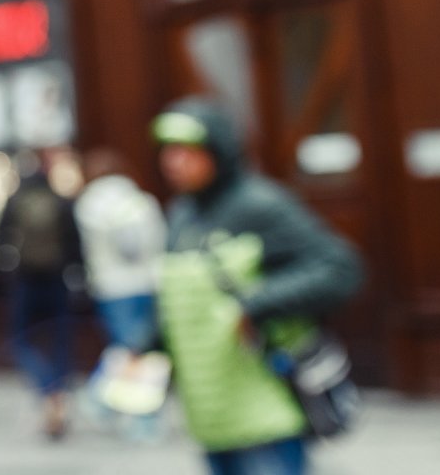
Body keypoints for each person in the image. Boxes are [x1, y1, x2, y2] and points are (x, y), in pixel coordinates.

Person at [152, 97, 364, 475]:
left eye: (187, 151)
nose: (173, 161)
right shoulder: (182, 214)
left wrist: (256, 304)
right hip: (209, 414)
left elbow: (340, 268)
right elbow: (178, 300)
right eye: (168, 151)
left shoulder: (259, 205)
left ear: (217, 152)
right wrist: (143, 345)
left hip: (265, 405)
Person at [73, 148, 166, 439]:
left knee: (127, 350)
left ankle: (102, 399)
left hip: (111, 287)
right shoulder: (140, 201)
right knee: (140, 351)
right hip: (148, 283)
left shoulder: (88, 204)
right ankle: (129, 412)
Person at [0, 145, 85, 440]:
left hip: (24, 280)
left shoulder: (15, 201)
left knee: (19, 340)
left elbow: (0, 242)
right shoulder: (60, 201)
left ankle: (46, 387)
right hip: (57, 279)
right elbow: (75, 244)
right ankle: (56, 389)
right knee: (60, 341)